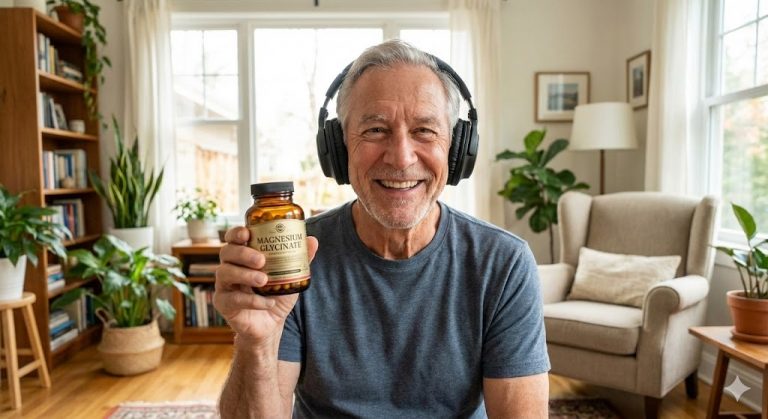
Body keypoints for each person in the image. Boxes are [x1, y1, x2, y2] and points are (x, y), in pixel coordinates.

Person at [214, 39, 550, 418]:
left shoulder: (503, 263)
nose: (402, 158)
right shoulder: (293, 258)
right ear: (338, 149)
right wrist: (256, 342)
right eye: (375, 130)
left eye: (424, 130)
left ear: (457, 149)